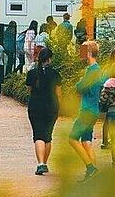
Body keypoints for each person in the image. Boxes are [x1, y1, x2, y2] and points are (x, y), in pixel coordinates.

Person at [68, 40, 106, 182]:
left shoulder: (92, 71)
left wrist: (79, 83)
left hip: (87, 111)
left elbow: (81, 87)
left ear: (89, 53)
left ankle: (91, 168)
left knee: (72, 139)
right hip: (93, 110)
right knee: (86, 141)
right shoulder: (97, 70)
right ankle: (92, 174)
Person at [26, 47, 62, 175]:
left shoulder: (32, 73)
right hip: (51, 106)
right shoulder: (55, 74)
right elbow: (59, 93)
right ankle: (45, 163)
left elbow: (29, 90)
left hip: (35, 106)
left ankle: (40, 163)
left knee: (38, 135)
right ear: (50, 59)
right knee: (47, 136)